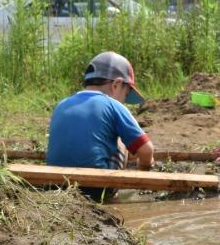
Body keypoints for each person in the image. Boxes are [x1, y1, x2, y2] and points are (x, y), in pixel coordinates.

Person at [46, 51, 155, 202]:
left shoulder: (61, 105)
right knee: (121, 140)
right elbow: (147, 150)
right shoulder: (113, 105)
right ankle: (113, 197)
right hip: (95, 188)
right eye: (125, 94)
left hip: (54, 184)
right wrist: (145, 167)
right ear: (116, 85)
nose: (123, 101)